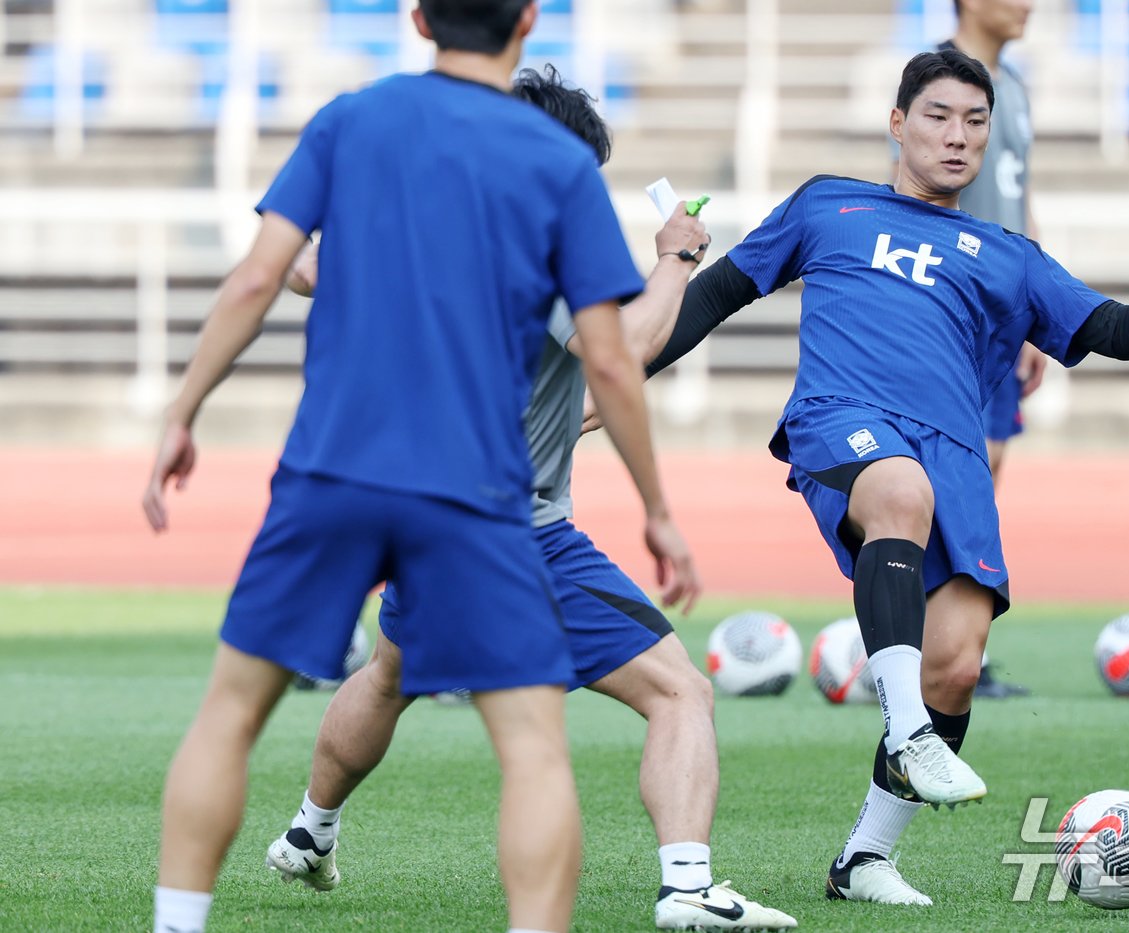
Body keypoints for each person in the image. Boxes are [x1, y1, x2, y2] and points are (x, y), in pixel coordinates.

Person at [139, 3, 699, 932]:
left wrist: (181, 410)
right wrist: (657, 507)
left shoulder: (353, 122)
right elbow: (614, 354)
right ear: (526, 20)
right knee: (530, 748)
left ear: (417, 18)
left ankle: (180, 921)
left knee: (231, 711)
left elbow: (263, 275)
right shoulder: (554, 167)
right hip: (474, 492)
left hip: (332, 469)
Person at [645, 48, 1129, 905]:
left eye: (975, 122)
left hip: (952, 453)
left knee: (955, 663)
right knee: (897, 493)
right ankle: (910, 729)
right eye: (938, 116)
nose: (958, 137)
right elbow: (713, 297)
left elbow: (1112, 330)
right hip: (842, 419)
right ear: (897, 123)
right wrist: (624, 372)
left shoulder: (1008, 254)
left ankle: (865, 859)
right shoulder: (826, 205)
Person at [262, 66, 797, 932]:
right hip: (515, 533)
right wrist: (675, 259)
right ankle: (690, 887)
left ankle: (308, 832)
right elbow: (626, 344)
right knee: (679, 692)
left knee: (391, 672)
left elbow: (301, 269)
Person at [896, 0, 1043, 700]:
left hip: (1004, 304)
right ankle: (913, 643)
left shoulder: (1010, 86)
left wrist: (1036, 307)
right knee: (954, 467)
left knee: (989, 461)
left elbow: (1020, 195)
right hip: (959, 301)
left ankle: (946, 645)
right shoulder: (939, 82)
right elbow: (909, 193)